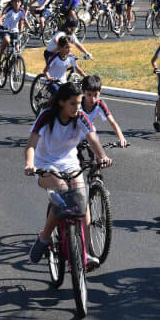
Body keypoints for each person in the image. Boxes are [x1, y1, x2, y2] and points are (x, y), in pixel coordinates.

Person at [25, 82, 112, 266]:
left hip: (71, 164)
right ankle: (45, 238)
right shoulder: (47, 116)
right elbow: (31, 143)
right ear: (62, 102)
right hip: (45, 165)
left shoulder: (80, 116)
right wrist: (29, 164)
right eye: (73, 103)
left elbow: (92, 140)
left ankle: (86, 252)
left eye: (79, 103)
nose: (78, 108)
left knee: (81, 200)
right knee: (64, 193)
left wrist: (102, 156)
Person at [80, 75, 127, 148]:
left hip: (89, 131)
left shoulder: (100, 104)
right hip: (75, 132)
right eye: (89, 95)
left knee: (98, 150)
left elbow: (112, 122)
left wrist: (121, 138)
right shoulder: (77, 103)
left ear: (100, 91)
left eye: (95, 95)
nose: (93, 99)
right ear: (83, 91)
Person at [0, 0, 28, 69]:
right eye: (15, 2)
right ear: (12, 3)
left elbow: (23, 21)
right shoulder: (9, 10)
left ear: (20, 3)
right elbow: (1, 18)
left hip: (15, 32)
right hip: (6, 30)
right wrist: (1, 24)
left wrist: (25, 30)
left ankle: (13, 69)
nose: (16, 3)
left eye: (18, 2)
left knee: (18, 52)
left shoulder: (22, 11)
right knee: (7, 41)